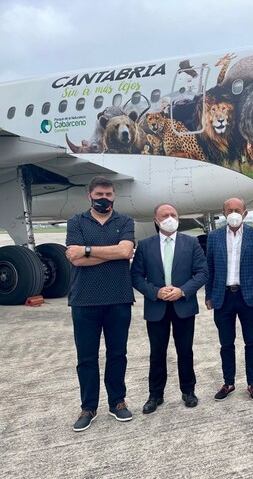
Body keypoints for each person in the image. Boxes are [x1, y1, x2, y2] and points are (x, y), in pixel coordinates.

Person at [65, 176, 135, 432]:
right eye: (99, 194)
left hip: (119, 299)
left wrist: (87, 250)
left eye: (108, 194)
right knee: (86, 357)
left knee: (117, 355)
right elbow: (74, 258)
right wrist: (109, 252)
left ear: (114, 195)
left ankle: (117, 402)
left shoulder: (125, 221)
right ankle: (88, 407)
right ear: (89, 196)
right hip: (84, 300)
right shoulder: (76, 221)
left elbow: (125, 252)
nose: (103, 198)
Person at [131, 203, 208, 414]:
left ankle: (188, 391)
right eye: (165, 215)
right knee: (157, 353)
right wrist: (155, 292)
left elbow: (202, 273)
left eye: (173, 214)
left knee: (185, 351)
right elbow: (136, 276)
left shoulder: (191, 243)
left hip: (183, 306)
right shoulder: (145, 245)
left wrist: (182, 291)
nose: (170, 218)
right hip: (157, 307)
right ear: (156, 220)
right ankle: (155, 395)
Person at [205, 198, 253, 402]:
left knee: (251, 342)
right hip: (222, 297)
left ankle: (252, 383)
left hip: (247, 295)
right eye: (229, 210)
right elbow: (209, 269)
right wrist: (208, 295)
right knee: (226, 343)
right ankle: (228, 382)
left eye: (237, 210)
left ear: (245, 213)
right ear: (223, 213)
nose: (233, 213)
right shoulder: (213, 237)